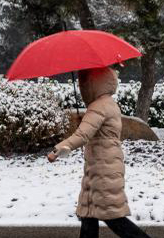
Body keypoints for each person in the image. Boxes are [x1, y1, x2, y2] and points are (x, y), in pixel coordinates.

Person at [47, 66, 153, 238]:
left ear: (93, 83)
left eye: (84, 82)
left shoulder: (98, 107)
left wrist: (57, 150)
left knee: (114, 218)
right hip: (101, 169)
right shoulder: (109, 104)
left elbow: (82, 135)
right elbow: (95, 132)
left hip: (103, 171)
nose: (82, 87)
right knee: (89, 215)